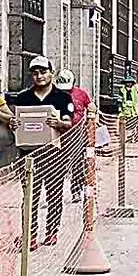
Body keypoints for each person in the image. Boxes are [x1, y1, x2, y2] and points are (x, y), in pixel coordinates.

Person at [8, 56, 74, 249]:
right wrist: (13, 124)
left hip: (55, 155)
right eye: (35, 73)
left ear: (51, 73)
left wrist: (60, 124)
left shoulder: (63, 98)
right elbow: (16, 123)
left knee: (54, 193)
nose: (39, 76)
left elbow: (69, 123)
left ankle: (52, 231)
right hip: (29, 155)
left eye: (43, 72)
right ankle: (30, 234)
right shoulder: (22, 98)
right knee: (29, 195)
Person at [55, 70, 91, 203]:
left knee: (77, 162)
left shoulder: (81, 94)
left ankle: (76, 190)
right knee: (58, 164)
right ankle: (55, 193)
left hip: (77, 132)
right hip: (59, 133)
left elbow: (91, 107)